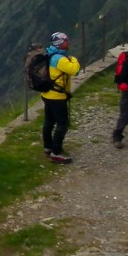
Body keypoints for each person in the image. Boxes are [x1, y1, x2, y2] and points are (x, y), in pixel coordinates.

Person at [41, 31, 81, 164]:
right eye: (66, 41)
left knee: (49, 122)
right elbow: (75, 70)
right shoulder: (61, 59)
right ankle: (56, 153)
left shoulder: (49, 54)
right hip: (57, 96)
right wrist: (73, 59)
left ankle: (47, 147)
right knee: (62, 124)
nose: (68, 43)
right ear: (60, 43)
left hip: (47, 94)